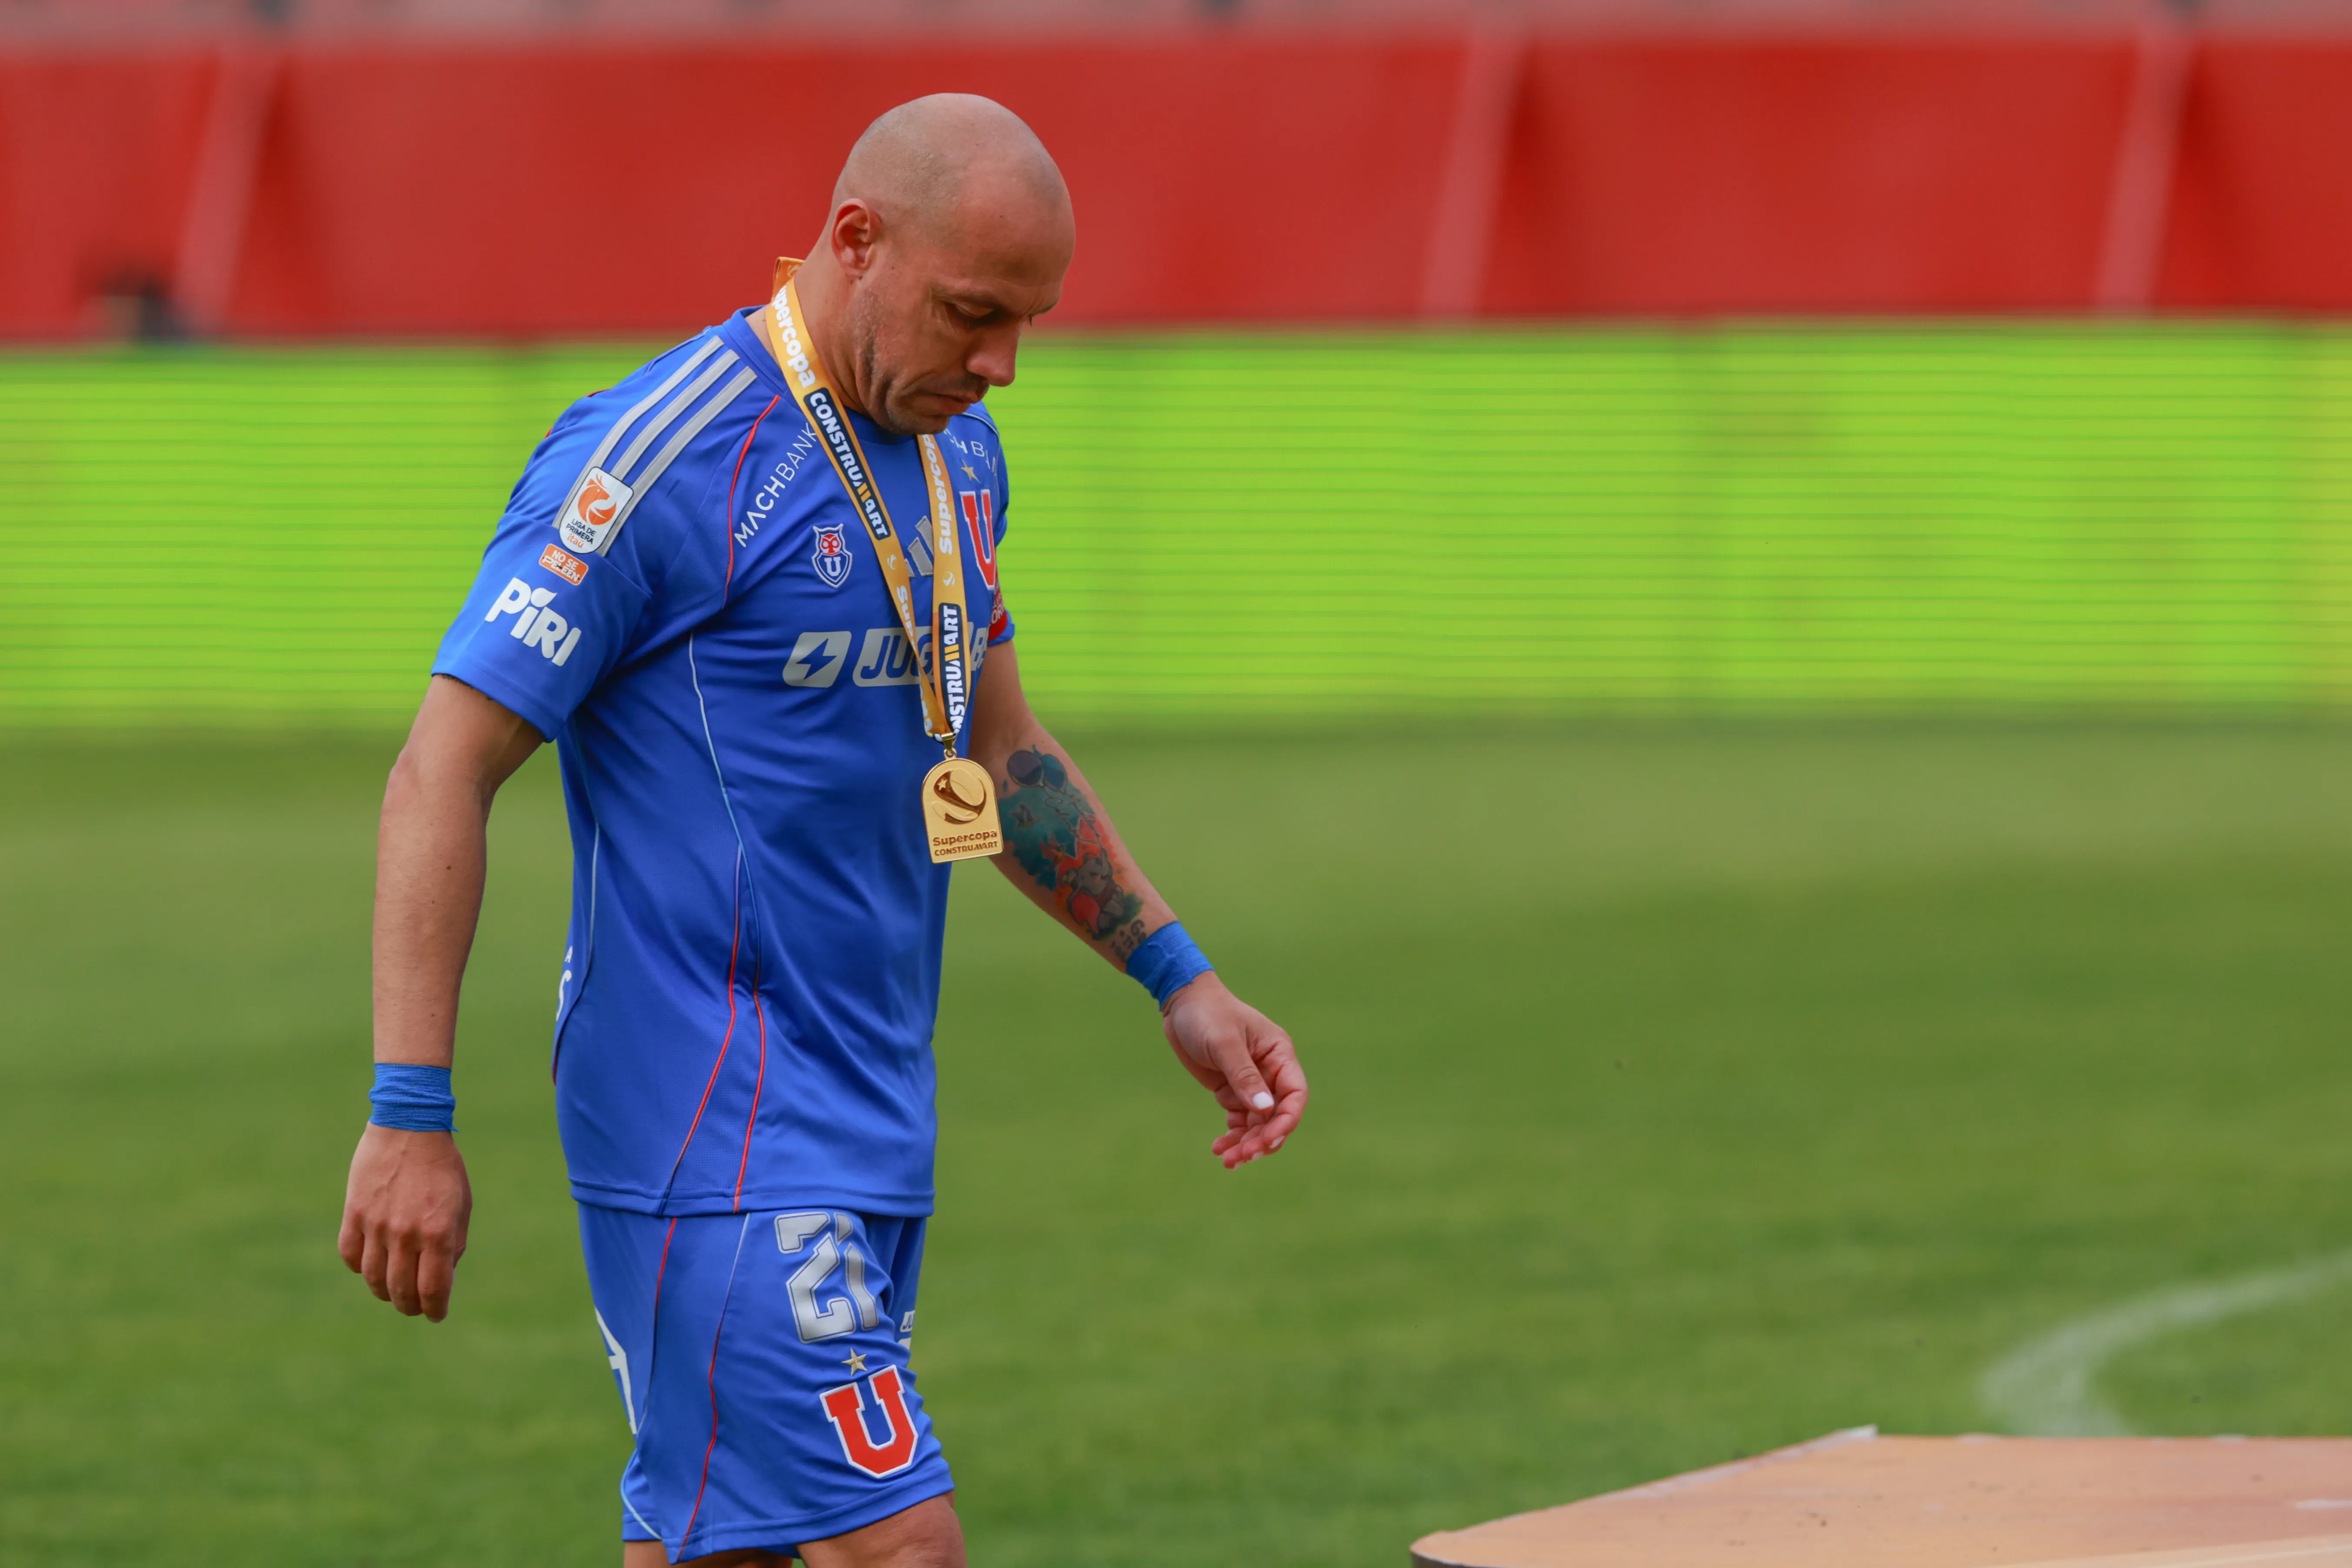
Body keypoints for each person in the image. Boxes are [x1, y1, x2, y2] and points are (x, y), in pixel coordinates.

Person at [336, 94, 1308, 1568]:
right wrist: (410, 1114)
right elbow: (440, 769)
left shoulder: (955, 460)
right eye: (973, 314)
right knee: (897, 1544)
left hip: (868, 1107)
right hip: (703, 1114)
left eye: (1028, 323)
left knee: (722, 1546)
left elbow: (998, 755)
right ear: (856, 241)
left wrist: (1177, 976)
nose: (1001, 365)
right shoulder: (659, 462)